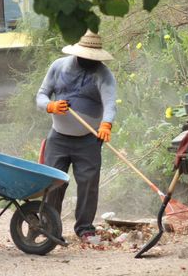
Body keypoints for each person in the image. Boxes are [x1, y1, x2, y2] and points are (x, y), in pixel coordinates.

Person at [36, 30, 117, 241]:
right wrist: (51, 105)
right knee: (53, 182)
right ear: (78, 53)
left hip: (89, 139)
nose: (90, 61)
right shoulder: (58, 66)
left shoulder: (104, 74)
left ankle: (85, 228)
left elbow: (110, 104)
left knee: (88, 183)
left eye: (93, 58)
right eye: (86, 57)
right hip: (58, 137)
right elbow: (41, 95)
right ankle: (48, 226)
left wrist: (106, 124)